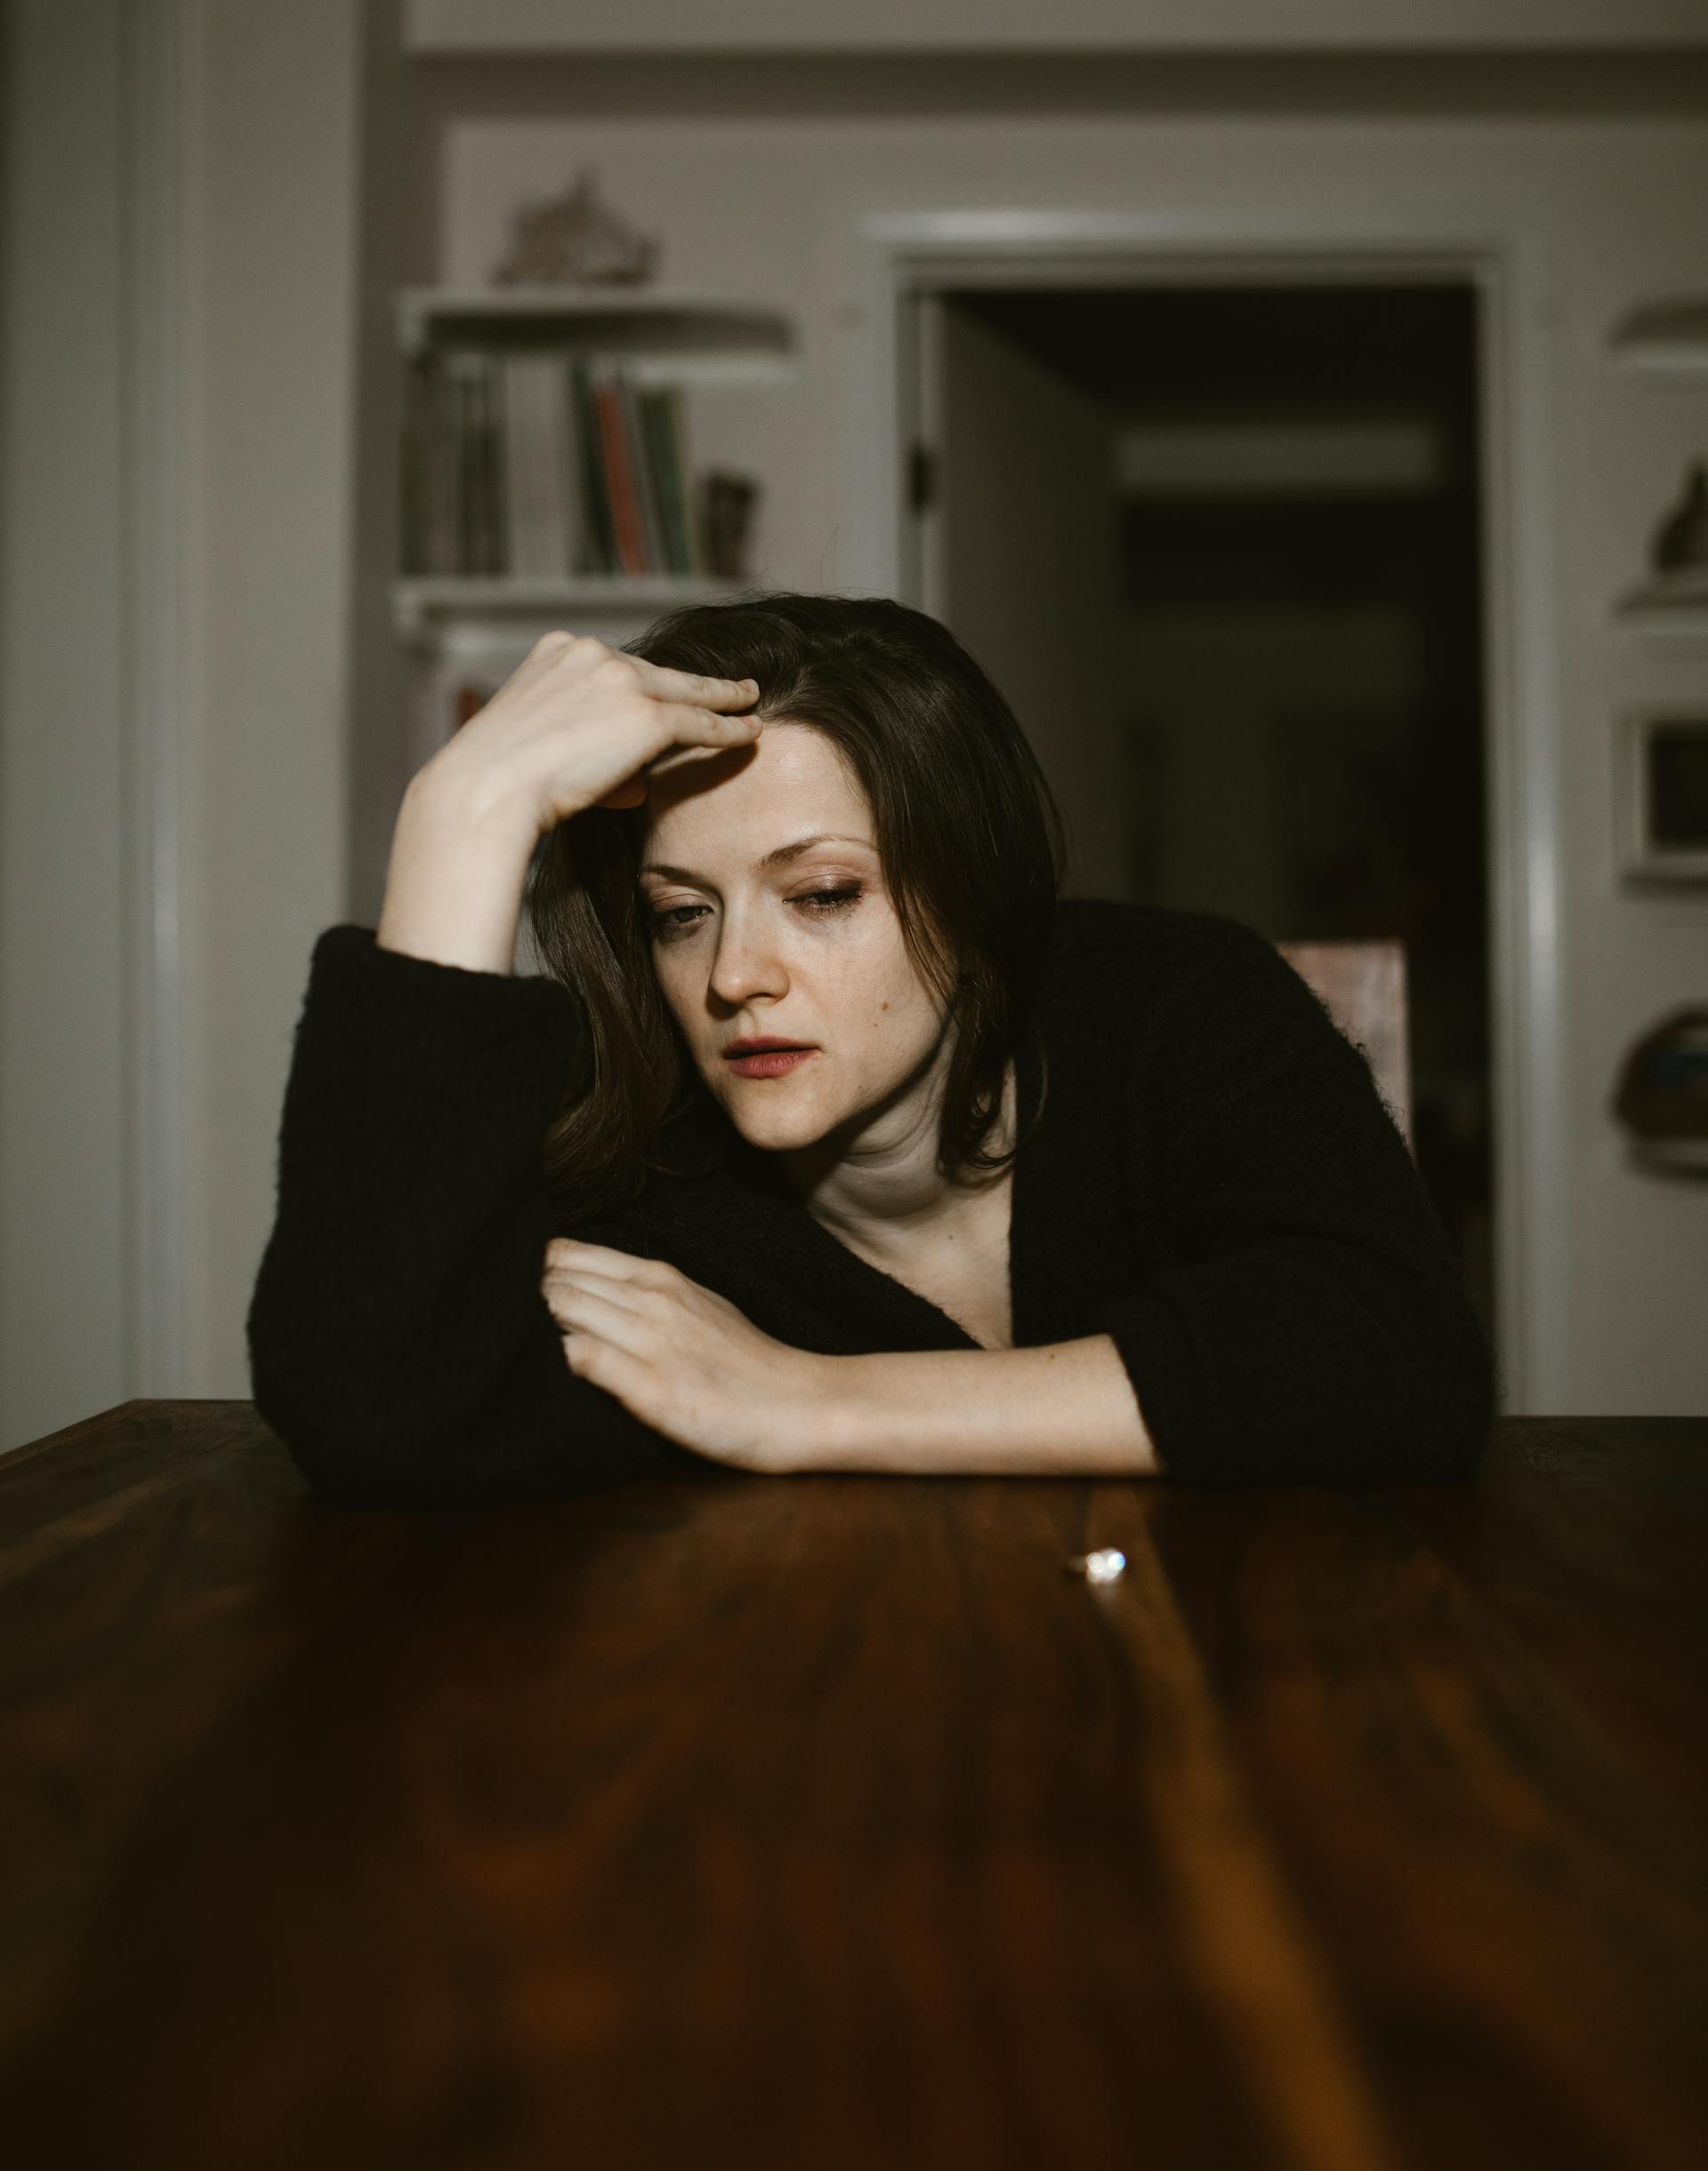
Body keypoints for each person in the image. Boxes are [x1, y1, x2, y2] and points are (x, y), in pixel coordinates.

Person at [246, 592, 1498, 1504]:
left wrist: (801, 1400)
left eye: (825, 893)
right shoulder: (642, 1174)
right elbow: (376, 1409)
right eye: (681, 914)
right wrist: (463, 819)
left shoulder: (1176, 1002)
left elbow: (1396, 1357)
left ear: (978, 892)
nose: (736, 976)